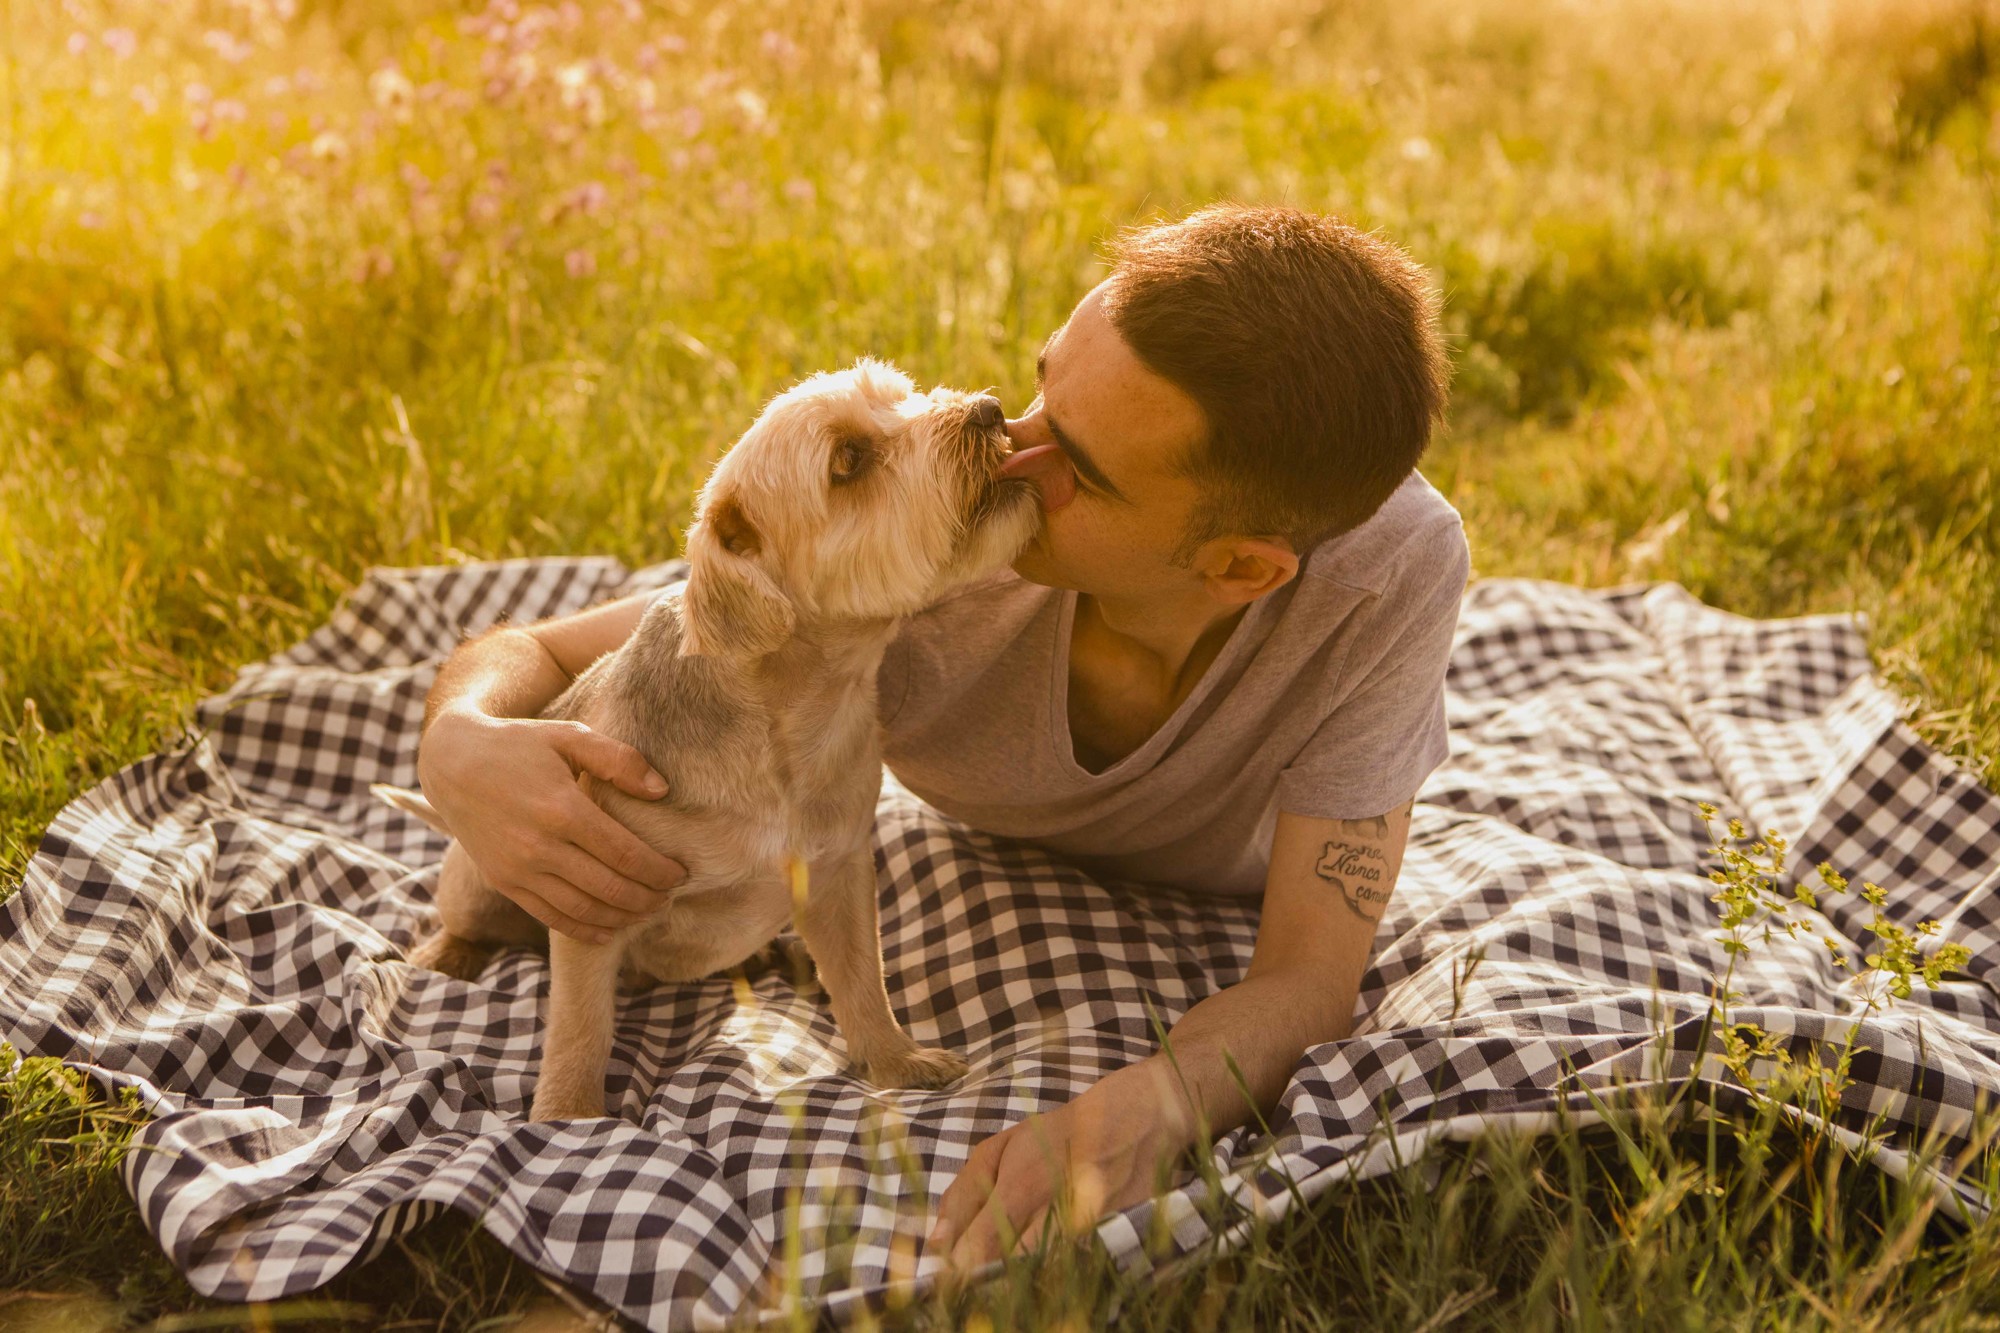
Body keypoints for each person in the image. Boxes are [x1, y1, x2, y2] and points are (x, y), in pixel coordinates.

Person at [412, 204, 1470, 1270]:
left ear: (1242, 568)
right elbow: (550, 648)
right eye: (1042, 385)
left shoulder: (1386, 573)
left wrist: (1156, 1104)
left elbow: (1308, 974)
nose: (1008, 443)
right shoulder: (926, 560)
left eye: (1077, 462)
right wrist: (455, 741)